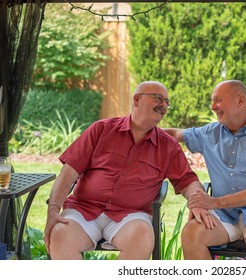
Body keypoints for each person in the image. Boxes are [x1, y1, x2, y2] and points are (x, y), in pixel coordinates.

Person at [44, 81, 215, 260]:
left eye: (166, 102)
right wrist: (53, 209)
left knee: (142, 238)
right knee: (60, 234)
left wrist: (199, 201)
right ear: (136, 100)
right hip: (83, 210)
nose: (163, 105)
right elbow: (68, 172)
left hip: (131, 217)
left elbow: (188, 181)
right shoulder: (101, 130)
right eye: (158, 98)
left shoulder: (168, 146)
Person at [164, 80, 246, 260]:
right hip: (225, 216)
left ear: (240, 100)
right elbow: (175, 135)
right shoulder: (209, 133)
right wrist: (141, 129)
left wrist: (213, 203)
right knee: (192, 234)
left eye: (218, 100)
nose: (213, 107)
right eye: (212, 101)